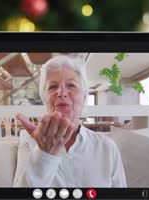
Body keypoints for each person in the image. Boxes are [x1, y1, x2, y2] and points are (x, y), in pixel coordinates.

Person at [13, 55, 127, 188]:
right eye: (52, 87)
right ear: (45, 99)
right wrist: (44, 155)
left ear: (84, 98)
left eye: (71, 85)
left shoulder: (107, 147)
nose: (61, 92)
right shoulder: (28, 142)